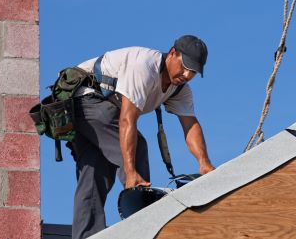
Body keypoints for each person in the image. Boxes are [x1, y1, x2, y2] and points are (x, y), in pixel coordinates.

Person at [68, 35, 215, 239]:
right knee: (138, 149)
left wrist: (204, 164)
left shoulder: (180, 88)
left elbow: (189, 124)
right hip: (88, 98)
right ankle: (143, 228)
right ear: (173, 53)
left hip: (94, 108)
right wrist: (130, 173)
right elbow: (127, 120)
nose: (187, 74)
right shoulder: (144, 66)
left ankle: (86, 236)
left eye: (193, 72)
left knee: (95, 171)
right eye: (184, 66)